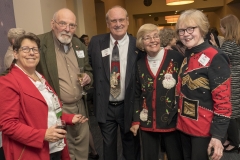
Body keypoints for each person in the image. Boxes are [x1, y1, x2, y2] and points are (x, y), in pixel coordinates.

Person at [0, 33, 88, 160]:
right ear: (15, 53)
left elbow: (49, 111)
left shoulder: (39, 78)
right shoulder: (8, 82)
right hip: (32, 152)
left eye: (35, 49)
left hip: (55, 146)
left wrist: (69, 118)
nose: (31, 53)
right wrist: (42, 135)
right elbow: (8, 124)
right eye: (25, 49)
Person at [36, 8, 93, 160]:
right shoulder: (40, 43)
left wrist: (88, 78)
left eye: (72, 25)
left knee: (81, 146)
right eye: (63, 23)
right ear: (53, 24)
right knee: (62, 148)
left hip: (80, 105)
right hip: (57, 108)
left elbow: (88, 70)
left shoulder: (78, 44)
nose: (67, 29)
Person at [175, 9, 231, 160]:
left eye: (190, 29)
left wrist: (218, 136)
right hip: (184, 126)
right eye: (181, 30)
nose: (186, 34)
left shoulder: (216, 56)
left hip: (204, 131)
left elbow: (223, 102)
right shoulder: (188, 54)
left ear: (202, 28)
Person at [88, 5, 141, 160]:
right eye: (113, 21)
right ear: (108, 23)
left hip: (129, 105)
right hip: (105, 105)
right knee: (108, 146)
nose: (118, 24)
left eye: (121, 20)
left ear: (127, 21)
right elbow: (88, 67)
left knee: (131, 145)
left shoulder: (137, 44)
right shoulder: (96, 42)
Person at [130, 23, 184, 160]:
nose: (153, 40)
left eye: (155, 36)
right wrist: (136, 120)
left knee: (175, 156)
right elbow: (137, 94)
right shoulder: (139, 64)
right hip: (147, 120)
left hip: (172, 120)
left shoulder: (176, 58)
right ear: (141, 42)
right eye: (147, 37)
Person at [211, 14, 240, 153]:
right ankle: (232, 139)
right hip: (237, 79)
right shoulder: (237, 41)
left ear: (226, 28)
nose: (220, 29)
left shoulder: (229, 43)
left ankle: (235, 142)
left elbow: (222, 60)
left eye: (222, 27)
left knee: (231, 111)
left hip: (232, 80)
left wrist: (214, 49)